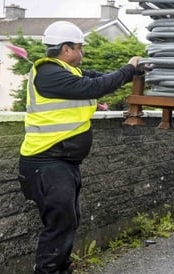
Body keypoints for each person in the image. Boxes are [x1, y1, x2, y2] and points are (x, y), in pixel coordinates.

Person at [17, 21, 143, 274]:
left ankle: (61, 268)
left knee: (68, 221)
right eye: (79, 48)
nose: (82, 53)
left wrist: (132, 72)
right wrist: (128, 69)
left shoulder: (67, 72)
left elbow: (97, 78)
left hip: (61, 162)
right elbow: (95, 87)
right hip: (46, 162)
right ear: (65, 48)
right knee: (60, 223)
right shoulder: (49, 73)